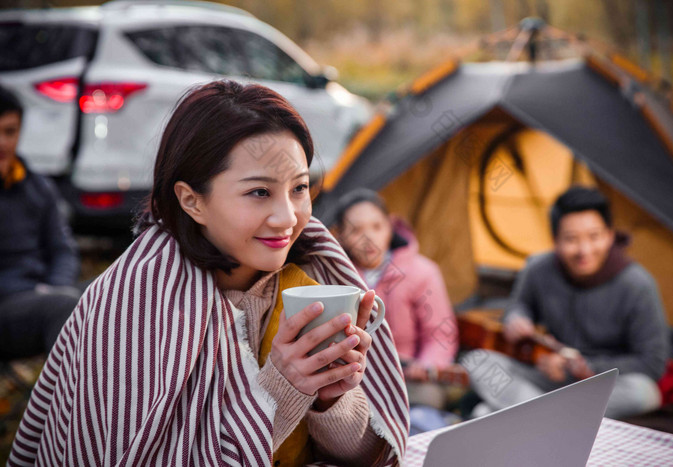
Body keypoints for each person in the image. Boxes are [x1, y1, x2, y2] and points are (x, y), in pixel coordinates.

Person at [9, 81, 408, 466]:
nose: (288, 217)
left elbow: (369, 457)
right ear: (191, 200)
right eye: (259, 192)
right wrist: (283, 387)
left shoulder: (314, 274)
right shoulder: (134, 306)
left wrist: (329, 399)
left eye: (299, 188)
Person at [466, 186, 670, 420]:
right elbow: (518, 305)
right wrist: (516, 319)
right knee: (478, 362)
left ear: (609, 235)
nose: (584, 250)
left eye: (594, 237)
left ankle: (526, 415)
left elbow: (652, 362)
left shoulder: (637, 284)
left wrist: (585, 365)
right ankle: (549, 418)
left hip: (599, 384)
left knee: (645, 393)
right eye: (572, 239)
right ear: (555, 240)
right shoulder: (538, 269)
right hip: (546, 375)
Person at [333, 189, 458, 414]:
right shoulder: (333, 276)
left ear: (390, 227)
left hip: (406, 377)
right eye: (355, 230)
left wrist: (428, 364)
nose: (368, 238)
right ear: (339, 235)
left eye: (377, 227)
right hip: (350, 377)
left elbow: (440, 334)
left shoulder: (423, 272)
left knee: (425, 403)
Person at [0, 86, 80, 361]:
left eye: (10, 132)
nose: (3, 143)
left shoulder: (37, 186)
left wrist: (55, 286)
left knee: (118, 290)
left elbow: (62, 249)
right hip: (7, 308)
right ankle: (70, 403)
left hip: (46, 292)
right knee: (64, 306)